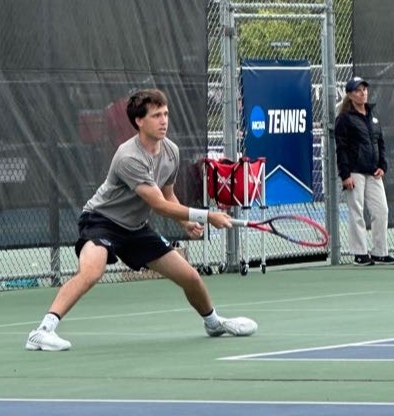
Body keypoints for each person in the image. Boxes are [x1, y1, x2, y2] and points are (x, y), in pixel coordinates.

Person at [26, 89, 257, 351]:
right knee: (92, 271)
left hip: (136, 228)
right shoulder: (129, 157)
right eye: (156, 115)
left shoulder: (171, 152)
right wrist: (208, 216)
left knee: (190, 276)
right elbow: (158, 205)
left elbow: (168, 195)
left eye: (166, 114)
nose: (164, 120)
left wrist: (184, 221)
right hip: (101, 221)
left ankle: (213, 323)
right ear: (139, 121)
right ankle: (42, 331)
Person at [334, 76, 394, 267]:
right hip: (354, 172)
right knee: (357, 212)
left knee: (381, 210)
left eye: (364, 89)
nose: (363, 93)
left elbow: (380, 143)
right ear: (350, 95)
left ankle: (379, 252)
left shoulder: (373, 116)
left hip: (373, 172)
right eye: (358, 90)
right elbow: (341, 148)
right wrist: (345, 174)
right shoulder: (344, 119)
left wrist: (382, 166)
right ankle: (360, 253)